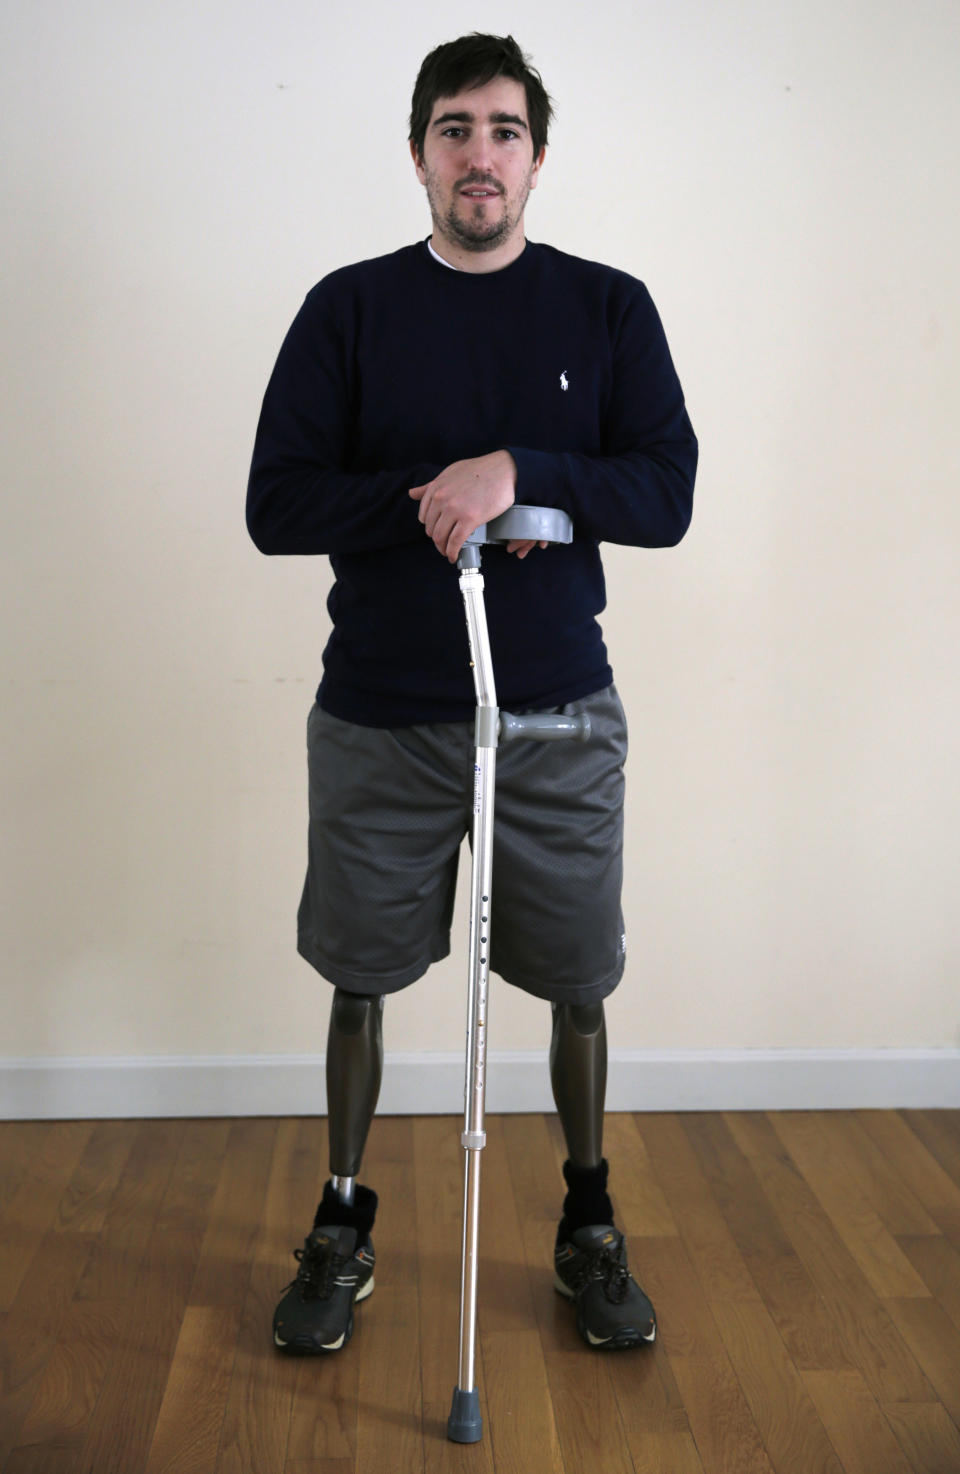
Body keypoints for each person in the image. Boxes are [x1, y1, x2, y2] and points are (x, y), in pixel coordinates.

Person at [247, 32, 697, 1358]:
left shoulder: (607, 307)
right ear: (418, 153)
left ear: (537, 157)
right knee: (359, 974)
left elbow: (662, 488)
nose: (479, 154)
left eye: (504, 130)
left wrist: (525, 471)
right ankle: (341, 1215)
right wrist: (432, 497)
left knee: (575, 978)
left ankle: (589, 1217)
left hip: (556, 715)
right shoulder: (351, 307)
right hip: (382, 716)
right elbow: (281, 501)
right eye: (454, 129)